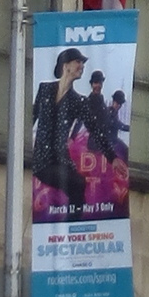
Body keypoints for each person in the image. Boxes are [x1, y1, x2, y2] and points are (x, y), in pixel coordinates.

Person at [28, 48, 89, 216]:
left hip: (61, 160)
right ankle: (71, 224)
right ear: (66, 65)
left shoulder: (78, 100)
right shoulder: (45, 89)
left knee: (78, 184)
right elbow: (31, 118)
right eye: (78, 62)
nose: (82, 66)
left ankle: (72, 227)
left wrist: (112, 158)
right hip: (42, 160)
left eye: (83, 63)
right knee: (77, 183)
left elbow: (93, 128)